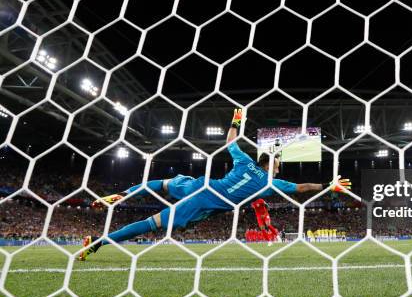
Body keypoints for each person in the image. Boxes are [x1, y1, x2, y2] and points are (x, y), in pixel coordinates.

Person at [79, 109, 351, 260]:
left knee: (161, 183)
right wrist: (329, 185)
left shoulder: (245, 161)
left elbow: (230, 141)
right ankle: (99, 242)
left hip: (201, 184)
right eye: (278, 163)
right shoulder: (270, 183)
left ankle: (124, 193)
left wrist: (236, 121)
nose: (280, 166)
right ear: (270, 165)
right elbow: (303, 188)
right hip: (203, 202)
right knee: (154, 224)